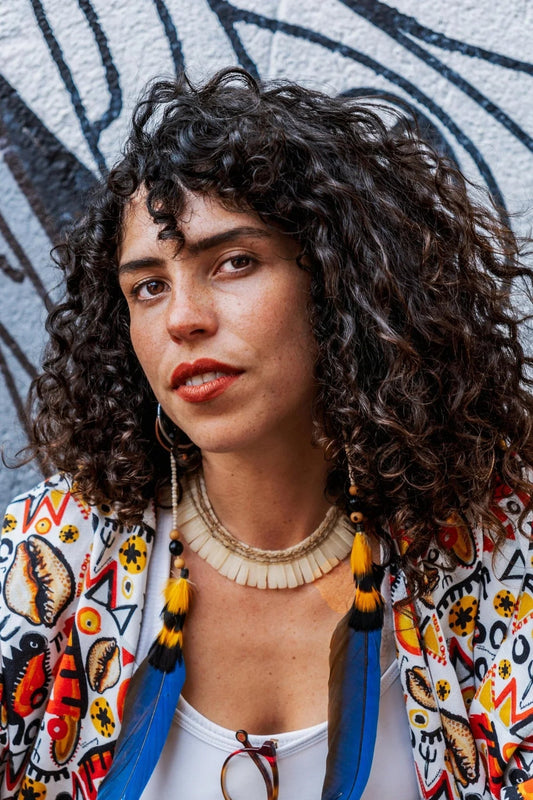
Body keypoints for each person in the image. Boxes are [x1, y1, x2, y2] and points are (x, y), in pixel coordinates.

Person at [1, 66, 533, 800]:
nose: (182, 318)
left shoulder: (494, 551)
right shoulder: (45, 561)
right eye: (148, 285)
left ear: (340, 283)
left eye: (233, 262)